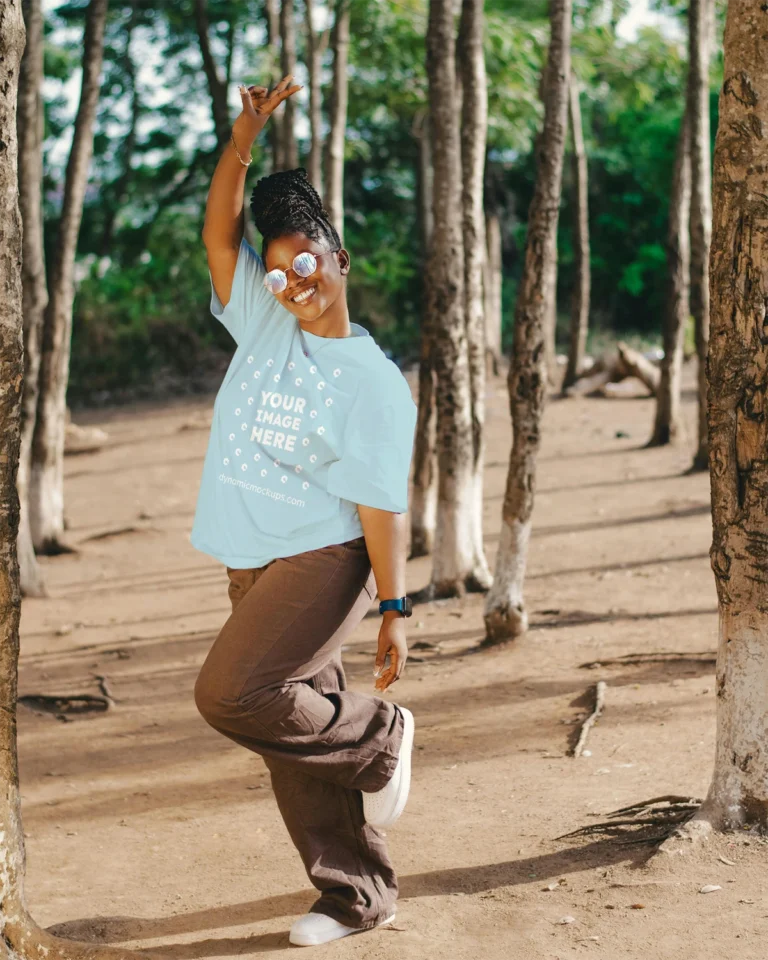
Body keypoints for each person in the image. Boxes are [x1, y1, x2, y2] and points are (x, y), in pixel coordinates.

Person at [189, 74, 418, 948]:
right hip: (252, 552)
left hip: (325, 558)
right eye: (278, 270)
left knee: (235, 693)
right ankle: (355, 895)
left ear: (341, 259)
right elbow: (218, 231)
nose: (293, 282)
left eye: (307, 263)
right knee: (291, 721)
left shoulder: (371, 380)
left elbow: (378, 501)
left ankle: (381, 739)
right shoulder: (264, 321)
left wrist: (394, 607)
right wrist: (244, 137)